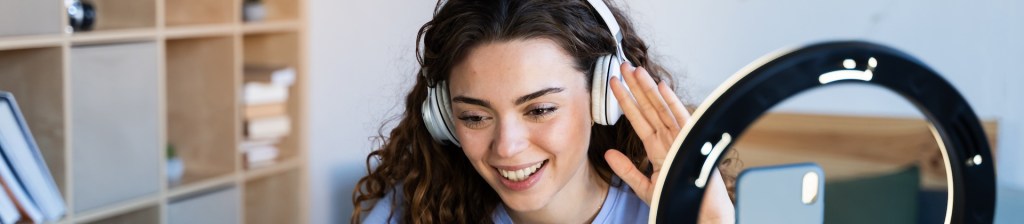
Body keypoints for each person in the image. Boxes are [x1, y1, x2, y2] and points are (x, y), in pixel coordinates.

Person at [351, 0, 735, 223]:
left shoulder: (669, 212)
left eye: (540, 109)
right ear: (443, 119)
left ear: (603, 98)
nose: (507, 147)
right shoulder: (410, 213)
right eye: (474, 117)